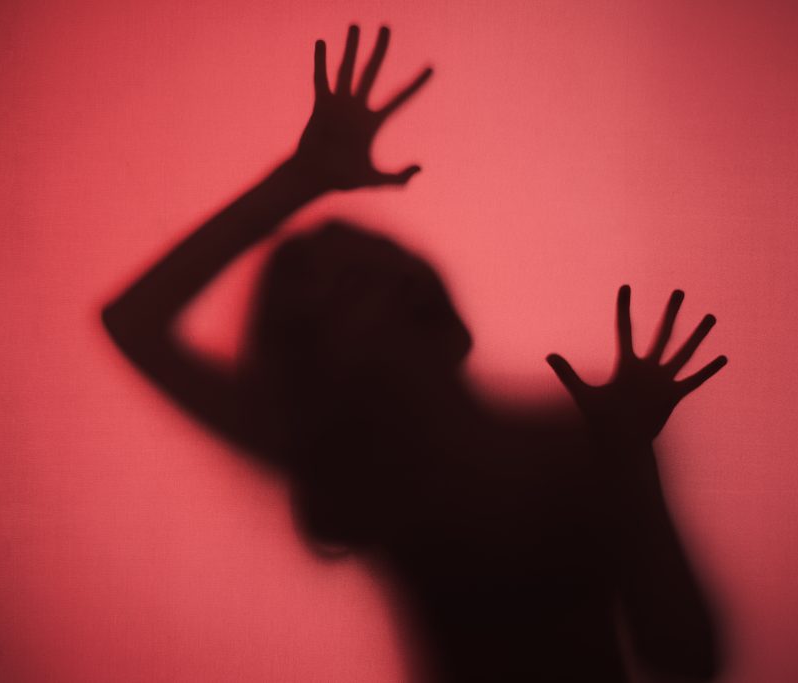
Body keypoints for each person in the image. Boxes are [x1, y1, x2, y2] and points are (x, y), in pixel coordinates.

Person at [102, 25, 727, 682]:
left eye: (389, 264)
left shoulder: (568, 446)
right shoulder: (360, 466)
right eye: (352, 287)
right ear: (318, 362)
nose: (391, 284)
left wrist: (629, 462)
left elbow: (687, 658)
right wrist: (299, 178)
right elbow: (135, 324)